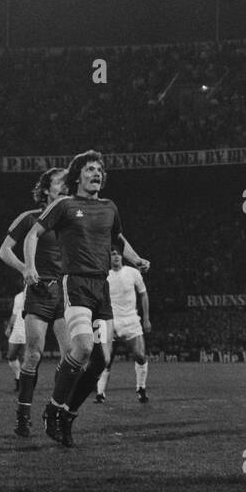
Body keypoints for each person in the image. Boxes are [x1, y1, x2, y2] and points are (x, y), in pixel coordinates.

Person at [23, 150, 150, 447]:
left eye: (100, 171)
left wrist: (136, 257)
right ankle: (52, 409)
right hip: (76, 284)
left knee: (101, 360)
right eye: (91, 169)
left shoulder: (109, 207)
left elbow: (118, 237)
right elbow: (32, 235)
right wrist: (29, 266)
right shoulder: (64, 205)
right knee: (82, 347)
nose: (97, 174)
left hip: (100, 287)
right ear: (77, 175)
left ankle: (68, 413)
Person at [0, 167, 72, 437]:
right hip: (40, 293)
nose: (65, 186)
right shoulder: (29, 218)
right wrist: (24, 268)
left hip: (66, 293)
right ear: (46, 189)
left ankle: (55, 410)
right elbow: (3, 251)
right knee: (33, 354)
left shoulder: (72, 219)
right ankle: (23, 417)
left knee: (72, 357)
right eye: (59, 182)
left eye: (67, 182)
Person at [96, 247, 152, 403]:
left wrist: (146, 318)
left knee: (140, 356)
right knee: (106, 360)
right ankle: (100, 393)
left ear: (122, 256)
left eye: (118, 254)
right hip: (111, 321)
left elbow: (143, 294)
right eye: (113, 254)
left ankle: (141, 388)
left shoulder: (133, 273)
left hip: (131, 321)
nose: (116, 257)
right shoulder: (104, 276)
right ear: (109, 258)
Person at [5, 291, 26, 391]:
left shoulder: (37, 294)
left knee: (27, 360)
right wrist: (9, 327)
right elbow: (14, 313)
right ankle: (18, 377)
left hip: (29, 330)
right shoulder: (18, 296)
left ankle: (23, 385)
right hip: (17, 330)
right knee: (11, 357)